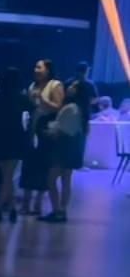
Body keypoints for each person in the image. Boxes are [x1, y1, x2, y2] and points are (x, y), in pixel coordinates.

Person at [46, 61, 99, 222]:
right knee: (66, 180)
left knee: (51, 180)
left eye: (74, 86)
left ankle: (56, 210)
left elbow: (62, 129)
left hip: (63, 147)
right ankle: (63, 210)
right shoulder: (82, 111)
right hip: (73, 148)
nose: (69, 87)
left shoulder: (71, 108)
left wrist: (49, 130)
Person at [0, 66, 29, 222]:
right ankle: (4, 208)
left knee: (6, 174)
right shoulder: (21, 97)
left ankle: (8, 208)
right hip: (16, 136)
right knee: (9, 176)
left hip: (0, 136)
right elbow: (33, 108)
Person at [23, 59, 64, 216]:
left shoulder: (55, 85)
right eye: (35, 67)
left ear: (48, 70)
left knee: (42, 167)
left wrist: (43, 99)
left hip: (46, 132)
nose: (36, 70)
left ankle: (38, 204)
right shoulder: (32, 86)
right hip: (31, 130)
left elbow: (59, 108)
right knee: (28, 166)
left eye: (39, 67)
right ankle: (26, 202)